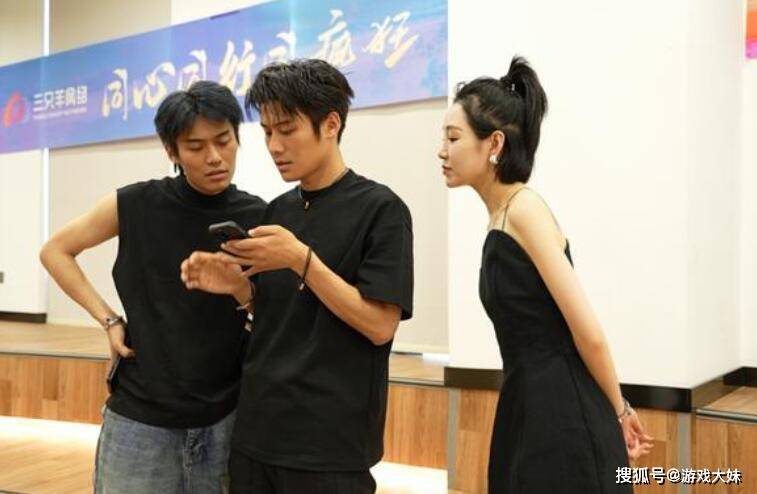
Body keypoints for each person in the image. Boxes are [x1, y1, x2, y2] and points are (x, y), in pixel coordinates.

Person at [180, 59, 414, 494]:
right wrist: (239, 289)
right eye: (267, 132)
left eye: (287, 130)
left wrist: (300, 259)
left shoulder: (381, 210)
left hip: (329, 445)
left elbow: (380, 325)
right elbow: (280, 317)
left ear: (331, 124)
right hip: (257, 435)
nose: (275, 146)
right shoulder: (278, 210)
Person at [437, 56, 654, 493]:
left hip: (563, 418)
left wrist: (619, 410)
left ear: (494, 143)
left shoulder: (524, 208)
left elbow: (587, 332)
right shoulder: (502, 215)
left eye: (453, 137)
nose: (442, 151)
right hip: (528, 407)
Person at [39, 81, 267, 493]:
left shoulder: (260, 217)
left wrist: (240, 289)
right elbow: (56, 251)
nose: (214, 157)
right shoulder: (135, 204)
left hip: (226, 419)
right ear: (172, 151)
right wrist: (109, 320)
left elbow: (273, 314)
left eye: (223, 140)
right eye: (195, 147)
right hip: (139, 422)